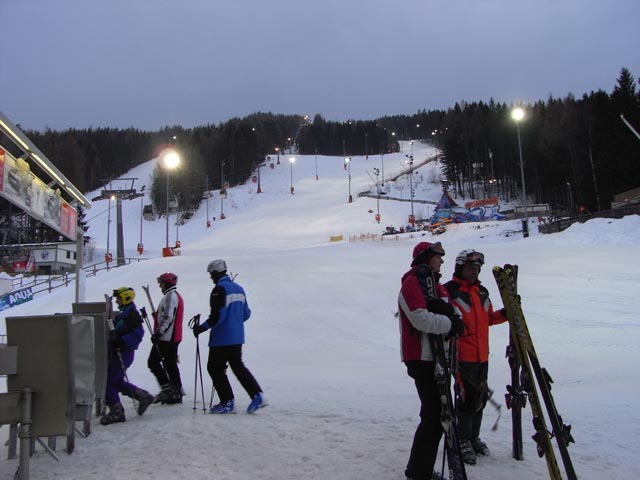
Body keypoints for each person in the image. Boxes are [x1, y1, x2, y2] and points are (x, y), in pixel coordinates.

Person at [398, 242, 465, 480]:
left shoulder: (437, 287)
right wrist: (449, 323)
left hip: (439, 356)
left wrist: (452, 319)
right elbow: (420, 318)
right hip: (421, 357)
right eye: (438, 257)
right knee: (434, 417)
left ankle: (420, 471)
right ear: (426, 258)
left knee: (438, 415)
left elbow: (453, 312)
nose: (442, 262)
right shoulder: (411, 283)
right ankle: (418, 472)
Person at [444, 249, 508, 465]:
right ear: (460, 267)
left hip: (482, 355)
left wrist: (507, 314)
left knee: (479, 397)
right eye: (470, 267)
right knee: (466, 398)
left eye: (477, 268)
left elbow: (488, 318)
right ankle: (461, 438)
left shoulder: (482, 292)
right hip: (461, 355)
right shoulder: (449, 291)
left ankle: (472, 436)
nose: (474, 271)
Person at [192, 259, 267, 414]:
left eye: (211, 274)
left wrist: (201, 328)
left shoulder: (219, 290)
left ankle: (227, 402)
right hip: (237, 337)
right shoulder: (239, 288)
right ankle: (257, 395)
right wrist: (235, 323)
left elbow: (217, 316)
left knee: (214, 368)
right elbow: (246, 314)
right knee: (238, 368)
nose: (210, 278)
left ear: (215, 273)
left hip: (221, 339)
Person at [102, 286, 154, 425]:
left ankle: (116, 412)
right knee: (117, 382)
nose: (118, 301)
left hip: (124, 352)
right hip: (120, 351)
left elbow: (138, 333)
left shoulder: (132, 314)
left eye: (119, 298)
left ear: (126, 298)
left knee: (109, 382)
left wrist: (121, 341)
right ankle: (143, 396)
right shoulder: (125, 313)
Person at [148, 272, 184, 405]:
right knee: (170, 364)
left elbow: (168, 317)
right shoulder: (173, 296)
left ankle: (168, 390)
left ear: (167, 283)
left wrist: (159, 332)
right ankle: (176, 391)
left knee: (153, 362)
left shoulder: (171, 296)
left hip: (167, 338)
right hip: (173, 337)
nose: (160, 286)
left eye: (161, 283)